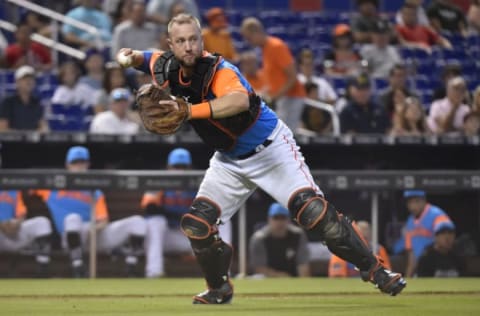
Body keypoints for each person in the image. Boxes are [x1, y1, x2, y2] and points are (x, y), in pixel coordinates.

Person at [117, 13, 406, 303]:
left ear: (202, 40)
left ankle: (376, 270)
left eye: (193, 39)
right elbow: (143, 58)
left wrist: (190, 111)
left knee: (314, 213)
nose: (188, 46)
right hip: (229, 159)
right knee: (197, 225)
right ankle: (219, 289)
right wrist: (127, 57)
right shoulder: (165, 65)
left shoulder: (219, 70)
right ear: (172, 45)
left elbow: (238, 100)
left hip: (270, 150)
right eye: (180, 41)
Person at [33, 146, 147, 277]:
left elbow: (103, 220)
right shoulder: (52, 188)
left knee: (137, 222)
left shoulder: (95, 191)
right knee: (73, 218)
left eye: (82, 162)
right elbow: (25, 184)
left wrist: (95, 228)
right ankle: (77, 266)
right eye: (75, 163)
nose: (79, 166)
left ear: (88, 164)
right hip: (69, 235)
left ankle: (131, 268)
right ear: (67, 165)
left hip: (93, 233)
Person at [141, 148, 232, 278]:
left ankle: (223, 272)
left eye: (183, 167)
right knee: (156, 221)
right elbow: (149, 208)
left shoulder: (200, 184)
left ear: (190, 167)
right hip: (169, 237)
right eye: (176, 167)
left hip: (195, 237)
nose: (180, 170)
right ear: (168, 167)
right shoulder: (159, 182)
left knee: (223, 221)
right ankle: (154, 272)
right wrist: (183, 216)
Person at [241, 17, 306, 133]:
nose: (248, 42)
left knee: (284, 136)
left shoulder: (276, 46)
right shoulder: (265, 49)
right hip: (282, 99)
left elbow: (292, 76)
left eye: (249, 38)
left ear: (256, 32)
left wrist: (275, 97)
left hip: (291, 97)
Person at [401, 190, 455, 277]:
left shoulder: (436, 214)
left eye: (416, 201)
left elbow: (447, 237)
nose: (413, 206)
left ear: (424, 201)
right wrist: (408, 278)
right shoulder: (409, 222)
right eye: (410, 202)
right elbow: (411, 256)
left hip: (437, 266)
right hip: (421, 268)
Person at [249, 203, 310, 277]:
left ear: (288, 219)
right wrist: (281, 276)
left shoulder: (298, 235)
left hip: (293, 279)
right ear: (269, 219)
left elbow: (303, 265)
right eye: (276, 218)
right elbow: (259, 268)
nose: (279, 222)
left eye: (283, 218)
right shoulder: (259, 238)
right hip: (267, 279)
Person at [0, 190, 52, 277]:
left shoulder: (15, 190)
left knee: (42, 222)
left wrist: (17, 222)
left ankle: (43, 270)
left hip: (15, 230)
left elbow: (22, 213)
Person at [0, 65, 46, 132]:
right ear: (17, 82)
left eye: (31, 79)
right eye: (25, 79)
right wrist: (22, 136)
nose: (29, 81)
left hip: (33, 142)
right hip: (11, 142)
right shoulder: (8, 102)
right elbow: (2, 129)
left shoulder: (37, 102)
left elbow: (43, 127)